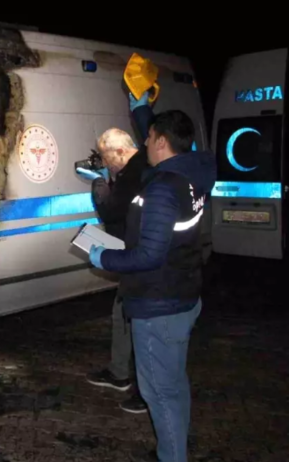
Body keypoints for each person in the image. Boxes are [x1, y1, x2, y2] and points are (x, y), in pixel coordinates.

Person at [89, 104, 216, 462]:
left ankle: (172, 456)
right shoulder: (195, 172)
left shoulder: (163, 188)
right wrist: (142, 109)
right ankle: (171, 450)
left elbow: (148, 256)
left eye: (149, 137)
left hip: (158, 304)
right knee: (174, 385)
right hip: (183, 295)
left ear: (161, 142)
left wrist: (103, 257)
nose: (143, 142)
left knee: (160, 393)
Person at [77, 93, 155, 414]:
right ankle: (120, 372)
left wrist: (99, 183)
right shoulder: (139, 166)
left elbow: (110, 211)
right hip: (135, 255)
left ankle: (143, 390)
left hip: (140, 260)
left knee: (141, 325)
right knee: (122, 314)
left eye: (108, 160)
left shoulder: (133, 174)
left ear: (122, 151)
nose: (107, 165)